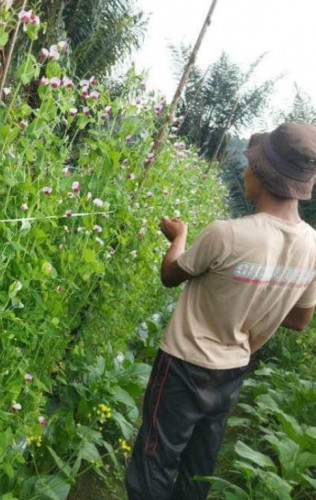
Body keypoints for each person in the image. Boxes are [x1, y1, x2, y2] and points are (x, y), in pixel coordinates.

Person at [125, 122, 316, 500]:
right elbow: (299, 319)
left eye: (250, 163)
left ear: (261, 174)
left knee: (155, 461)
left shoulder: (226, 233)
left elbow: (169, 275)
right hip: (231, 370)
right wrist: (260, 305)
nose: (246, 169)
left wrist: (178, 237)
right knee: (200, 468)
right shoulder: (312, 246)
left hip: (183, 365)